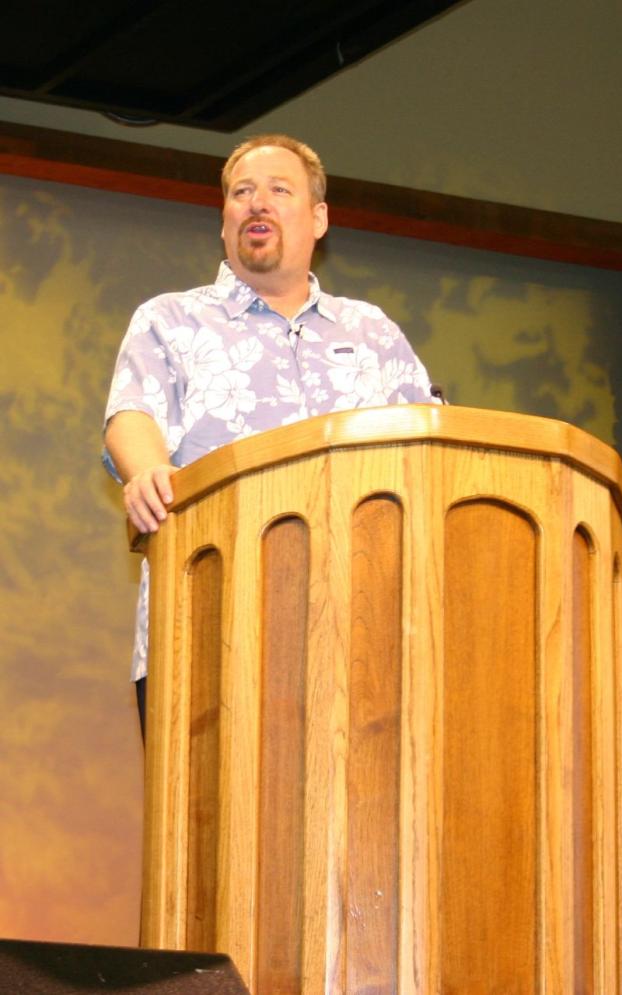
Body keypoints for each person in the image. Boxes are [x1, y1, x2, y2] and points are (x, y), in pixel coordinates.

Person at [103, 133, 440, 734]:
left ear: (319, 218)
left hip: (363, 637)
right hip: (207, 628)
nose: (256, 203)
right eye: (241, 193)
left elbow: (441, 448)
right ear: (224, 220)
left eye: (278, 190)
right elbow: (133, 417)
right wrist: (148, 470)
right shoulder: (170, 320)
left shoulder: (373, 332)